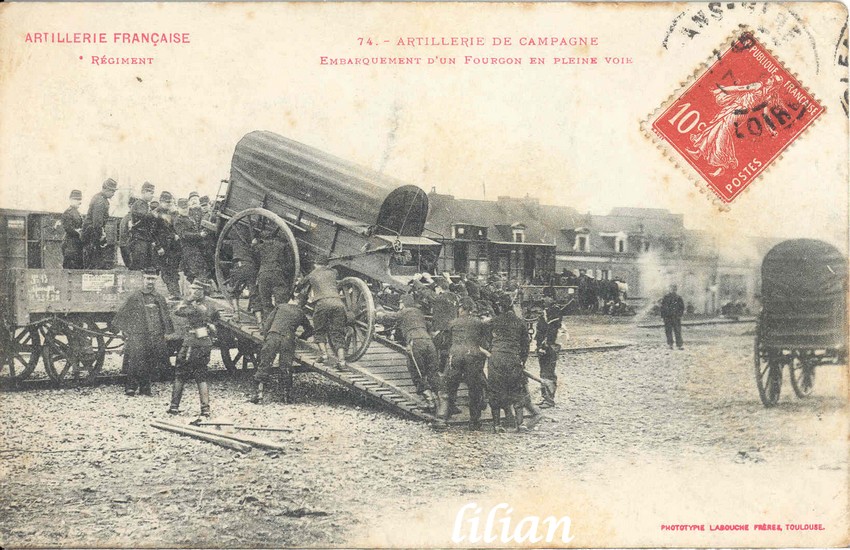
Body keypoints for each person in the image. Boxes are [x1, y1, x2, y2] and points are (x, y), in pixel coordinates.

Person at [113, 267, 174, 396]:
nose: (150, 282)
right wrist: (127, 331)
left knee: (150, 360)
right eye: (148, 279)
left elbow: (164, 316)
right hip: (138, 334)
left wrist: (165, 333)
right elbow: (122, 314)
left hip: (154, 335)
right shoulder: (135, 296)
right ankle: (131, 387)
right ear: (143, 279)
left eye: (153, 279)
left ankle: (145, 388)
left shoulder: (159, 298)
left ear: (156, 280)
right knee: (136, 360)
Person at [168, 278, 220, 419]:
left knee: (180, 374)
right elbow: (216, 323)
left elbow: (177, 311)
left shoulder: (193, 306)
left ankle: (174, 406)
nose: (193, 291)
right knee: (201, 376)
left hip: (191, 343)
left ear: (200, 291)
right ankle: (205, 409)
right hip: (205, 343)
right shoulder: (212, 305)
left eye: (195, 289)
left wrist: (188, 299)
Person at [250, 290, 313, 404]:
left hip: (273, 336)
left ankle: (259, 394)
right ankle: (286, 397)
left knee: (265, 364)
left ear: (295, 299)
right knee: (285, 367)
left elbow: (268, 323)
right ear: (303, 303)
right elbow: (310, 330)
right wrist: (301, 336)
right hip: (288, 339)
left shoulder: (281, 307)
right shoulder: (301, 313)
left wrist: (265, 335)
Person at [378, 294, 440, 409]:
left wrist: (379, 314)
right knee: (432, 372)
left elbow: (388, 318)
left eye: (400, 303)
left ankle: (430, 402)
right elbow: (428, 325)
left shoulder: (404, 312)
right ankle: (441, 402)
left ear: (403, 304)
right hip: (429, 342)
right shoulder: (419, 313)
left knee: (417, 371)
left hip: (415, 343)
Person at [488, 294, 537, 432]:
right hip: (513, 358)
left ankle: (497, 425)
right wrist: (522, 361)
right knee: (517, 390)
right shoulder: (519, 322)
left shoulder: (494, 321)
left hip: (496, 358)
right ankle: (520, 424)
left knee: (495, 390)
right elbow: (526, 345)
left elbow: (485, 340)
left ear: (500, 306)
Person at [441, 296, 489, 430]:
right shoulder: (479, 322)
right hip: (472, 354)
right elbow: (484, 341)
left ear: (462, 309)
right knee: (474, 388)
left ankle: (446, 415)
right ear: (471, 310)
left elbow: (445, 342)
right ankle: (474, 421)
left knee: (450, 384)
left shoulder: (452, 323)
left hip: (456, 354)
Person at [300, 256, 347, 366]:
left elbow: (301, 286)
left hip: (322, 304)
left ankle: (324, 355)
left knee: (319, 330)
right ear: (327, 264)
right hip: (338, 303)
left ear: (315, 264)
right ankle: (342, 360)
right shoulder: (333, 272)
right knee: (338, 333)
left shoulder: (312, 274)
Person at [252, 232, 293, 321]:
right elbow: (289, 264)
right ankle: (278, 323)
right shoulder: (282, 246)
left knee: (266, 303)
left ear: (262, 239)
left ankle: (267, 326)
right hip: (277, 274)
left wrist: (254, 244)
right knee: (281, 303)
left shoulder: (259, 247)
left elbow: (254, 260)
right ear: (273, 238)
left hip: (263, 275)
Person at [536, 291, 563, 409]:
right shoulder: (548, 310)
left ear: (551, 298)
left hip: (549, 346)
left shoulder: (554, 310)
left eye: (545, 296)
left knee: (548, 372)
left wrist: (544, 345)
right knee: (543, 371)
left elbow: (552, 329)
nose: (543, 299)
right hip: (544, 345)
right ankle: (545, 397)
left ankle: (550, 399)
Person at [83, 178, 117, 269]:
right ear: (106, 189)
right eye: (112, 191)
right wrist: (101, 237)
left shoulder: (99, 198)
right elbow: (97, 223)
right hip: (92, 235)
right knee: (94, 263)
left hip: (91, 234)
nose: (113, 194)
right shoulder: (101, 201)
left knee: (93, 262)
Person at [152, 191, 182, 299]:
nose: (168, 204)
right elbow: (152, 233)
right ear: (160, 202)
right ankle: (171, 292)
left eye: (169, 202)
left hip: (172, 247)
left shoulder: (172, 213)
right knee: (163, 270)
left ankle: (176, 293)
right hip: (162, 247)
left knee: (173, 269)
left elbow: (175, 227)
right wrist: (158, 247)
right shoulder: (155, 214)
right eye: (166, 202)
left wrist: (175, 235)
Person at [174, 197, 210, 283]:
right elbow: (184, 235)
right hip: (188, 247)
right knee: (197, 268)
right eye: (182, 208)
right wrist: (199, 235)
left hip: (196, 246)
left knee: (200, 267)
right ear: (178, 208)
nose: (185, 210)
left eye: (186, 207)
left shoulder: (190, 217)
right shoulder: (178, 220)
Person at [127, 199, 157, 270]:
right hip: (139, 239)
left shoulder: (145, 207)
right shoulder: (140, 205)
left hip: (144, 239)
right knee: (138, 264)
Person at [60, 190, 84, 269]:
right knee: (70, 268)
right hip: (70, 246)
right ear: (71, 200)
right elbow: (68, 228)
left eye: (80, 199)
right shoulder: (68, 213)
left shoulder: (77, 213)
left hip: (77, 246)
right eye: (76, 199)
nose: (79, 202)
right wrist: (79, 232)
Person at [660, 284, 685, 350]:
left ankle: (679, 345)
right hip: (668, 317)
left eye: (674, 289)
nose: (673, 290)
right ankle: (670, 344)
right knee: (668, 331)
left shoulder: (678, 298)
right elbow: (662, 307)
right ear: (669, 289)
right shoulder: (666, 297)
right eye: (671, 289)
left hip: (676, 317)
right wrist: (663, 316)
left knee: (677, 331)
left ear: (676, 290)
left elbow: (682, 307)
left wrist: (679, 315)